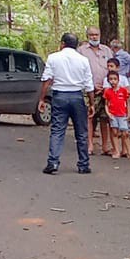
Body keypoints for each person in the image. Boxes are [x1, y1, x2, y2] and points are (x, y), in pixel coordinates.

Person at [36, 33, 94, 174]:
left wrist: (42, 99)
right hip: (77, 96)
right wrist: (91, 103)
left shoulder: (53, 58)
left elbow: (47, 80)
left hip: (60, 95)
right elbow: (89, 85)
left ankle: (53, 162)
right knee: (81, 132)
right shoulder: (83, 60)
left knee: (57, 130)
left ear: (63, 44)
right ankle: (83, 164)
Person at [78, 27, 115, 156]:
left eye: (96, 34)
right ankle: (90, 145)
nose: (94, 37)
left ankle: (105, 146)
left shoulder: (107, 50)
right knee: (89, 117)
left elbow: (113, 69)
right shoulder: (81, 51)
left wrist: (108, 86)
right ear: (87, 36)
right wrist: (90, 87)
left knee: (105, 118)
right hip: (89, 89)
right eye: (91, 35)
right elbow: (79, 71)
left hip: (106, 89)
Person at [103, 57, 130, 160]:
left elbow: (126, 102)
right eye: (111, 79)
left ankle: (129, 152)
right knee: (114, 132)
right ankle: (116, 151)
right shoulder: (108, 92)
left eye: (115, 79)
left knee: (125, 133)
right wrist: (108, 113)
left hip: (122, 114)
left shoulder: (123, 90)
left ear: (118, 80)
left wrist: (128, 113)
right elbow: (106, 103)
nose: (113, 81)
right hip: (113, 114)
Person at [110, 38, 130, 131]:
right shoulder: (114, 55)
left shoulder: (124, 55)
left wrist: (129, 72)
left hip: (127, 84)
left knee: (128, 106)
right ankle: (121, 127)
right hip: (118, 84)